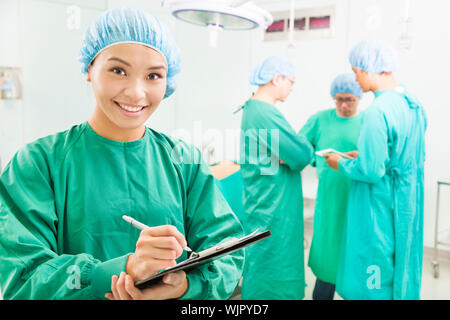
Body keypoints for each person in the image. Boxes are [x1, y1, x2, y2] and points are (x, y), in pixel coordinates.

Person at [0, 7, 244, 300]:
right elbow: (23, 278)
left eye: (153, 75)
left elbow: (225, 251)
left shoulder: (184, 161)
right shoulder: (38, 164)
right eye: (118, 70)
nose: (136, 93)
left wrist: (184, 286)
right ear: (89, 69)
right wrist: (122, 270)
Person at [324, 39, 427, 300]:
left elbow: (370, 172)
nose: (356, 80)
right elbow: (401, 156)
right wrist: (366, 154)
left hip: (378, 206)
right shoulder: (412, 104)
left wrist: (341, 163)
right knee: (401, 260)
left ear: (370, 69)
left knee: (373, 267)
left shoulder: (377, 111)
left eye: (357, 72)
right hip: (407, 201)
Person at [239, 56, 313, 300]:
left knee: (264, 260)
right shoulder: (265, 112)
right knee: (274, 265)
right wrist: (300, 150)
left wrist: (291, 151)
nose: (292, 87)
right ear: (276, 78)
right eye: (290, 81)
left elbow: (292, 152)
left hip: (266, 201)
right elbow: (301, 155)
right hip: (274, 206)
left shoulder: (254, 109)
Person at [299, 73, 363, 300]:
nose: (344, 105)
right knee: (328, 253)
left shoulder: (366, 123)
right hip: (329, 198)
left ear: (359, 96)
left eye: (349, 100)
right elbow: (299, 148)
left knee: (354, 254)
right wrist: (318, 160)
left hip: (357, 198)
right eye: (339, 100)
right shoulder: (320, 119)